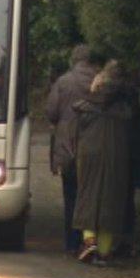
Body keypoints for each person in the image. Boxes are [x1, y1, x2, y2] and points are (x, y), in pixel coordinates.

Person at [72, 60, 133, 266]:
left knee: (88, 195)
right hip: (116, 156)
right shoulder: (125, 108)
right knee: (110, 202)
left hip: (89, 154)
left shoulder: (86, 106)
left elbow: (76, 131)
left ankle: (89, 242)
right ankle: (105, 252)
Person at [46, 44, 99, 254]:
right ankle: (90, 240)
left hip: (68, 146)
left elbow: (51, 112)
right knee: (91, 194)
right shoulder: (99, 82)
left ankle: (71, 242)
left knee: (71, 194)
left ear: (74, 60)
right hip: (93, 143)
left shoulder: (64, 82)